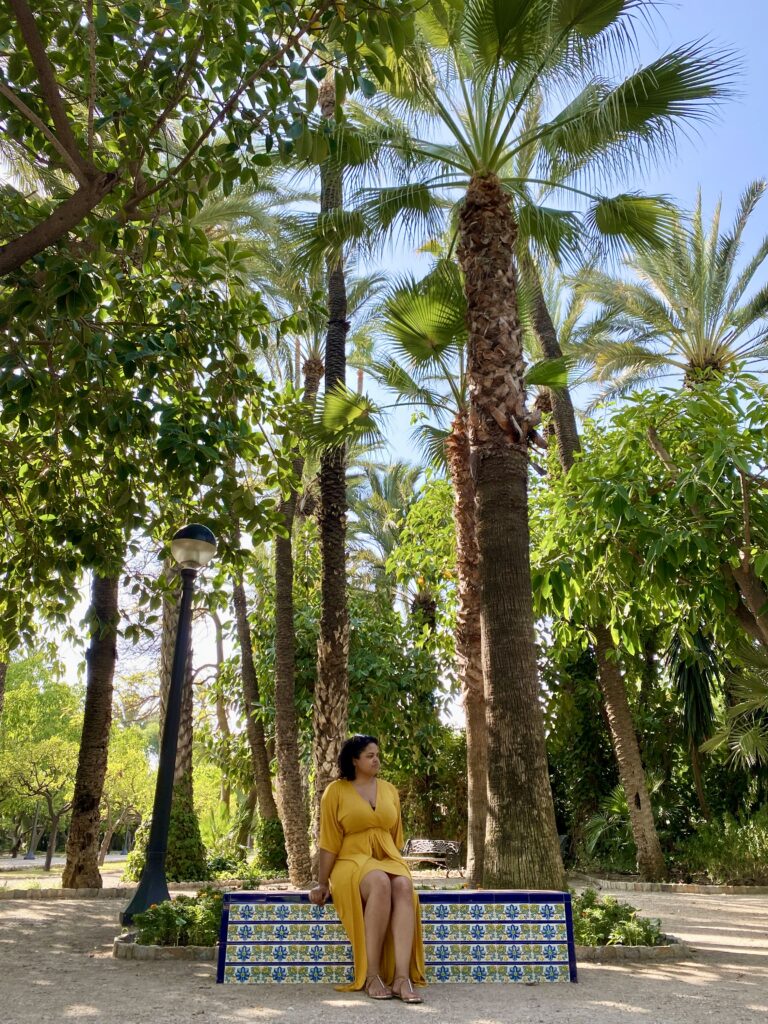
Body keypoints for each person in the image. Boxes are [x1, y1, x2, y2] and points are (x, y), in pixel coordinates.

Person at [309, 734, 426, 1003]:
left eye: (377, 755)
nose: (376, 760)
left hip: (386, 856)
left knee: (403, 885)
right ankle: (372, 974)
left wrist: (393, 862)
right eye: (370, 756)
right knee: (379, 882)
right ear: (354, 761)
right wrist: (322, 882)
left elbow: (396, 836)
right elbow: (329, 842)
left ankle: (400, 978)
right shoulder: (335, 791)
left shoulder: (389, 790)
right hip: (350, 859)